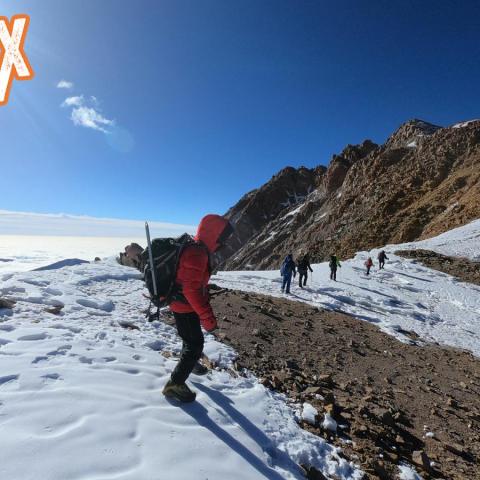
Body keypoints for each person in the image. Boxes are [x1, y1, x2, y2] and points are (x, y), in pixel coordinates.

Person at [162, 214, 233, 403]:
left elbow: (191, 282)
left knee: (190, 339)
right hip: (184, 305)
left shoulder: (196, 248)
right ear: (213, 234)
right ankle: (174, 384)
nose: (223, 243)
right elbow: (191, 289)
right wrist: (208, 319)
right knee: (195, 344)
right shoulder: (197, 253)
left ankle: (190, 364)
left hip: (182, 303)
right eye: (222, 238)